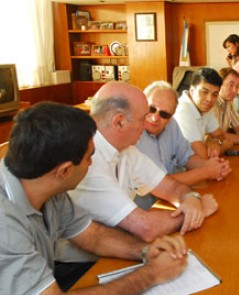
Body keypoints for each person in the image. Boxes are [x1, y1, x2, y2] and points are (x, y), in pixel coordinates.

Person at [0, 102, 188, 295]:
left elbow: (93, 235)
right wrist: (151, 274)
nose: (92, 164)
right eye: (90, 157)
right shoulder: (5, 223)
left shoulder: (45, 183)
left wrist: (145, 250)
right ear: (64, 171)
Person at [67, 81, 218, 250]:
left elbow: (171, 188)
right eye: (143, 117)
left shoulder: (127, 150)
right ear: (119, 122)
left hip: (125, 248)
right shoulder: (85, 161)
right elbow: (146, 228)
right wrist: (199, 211)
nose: (148, 122)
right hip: (83, 267)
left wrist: (192, 199)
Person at [135, 80, 232, 210]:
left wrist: (215, 166)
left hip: (173, 201)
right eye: (151, 109)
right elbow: (161, 183)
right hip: (144, 212)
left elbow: (187, 157)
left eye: (164, 114)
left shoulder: (172, 125)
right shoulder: (133, 135)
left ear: (171, 115)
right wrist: (207, 171)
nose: (155, 118)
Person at [174, 67, 233, 159]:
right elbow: (202, 156)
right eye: (204, 92)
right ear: (192, 90)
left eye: (214, 94)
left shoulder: (205, 108)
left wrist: (215, 141)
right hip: (173, 170)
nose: (209, 99)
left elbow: (220, 136)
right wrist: (222, 147)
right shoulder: (183, 111)